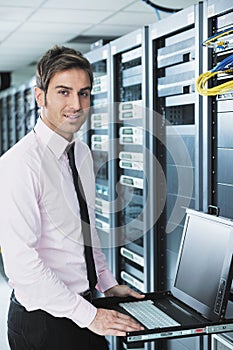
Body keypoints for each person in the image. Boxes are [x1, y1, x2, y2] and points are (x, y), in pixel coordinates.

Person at [0, 45, 145, 350]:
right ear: (41, 96)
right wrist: (89, 316)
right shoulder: (19, 163)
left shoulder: (81, 153)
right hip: (44, 321)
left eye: (84, 93)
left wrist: (107, 282)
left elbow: (85, 230)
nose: (76, 104)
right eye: (64, 92)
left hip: (85, 308)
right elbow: (22, 264)